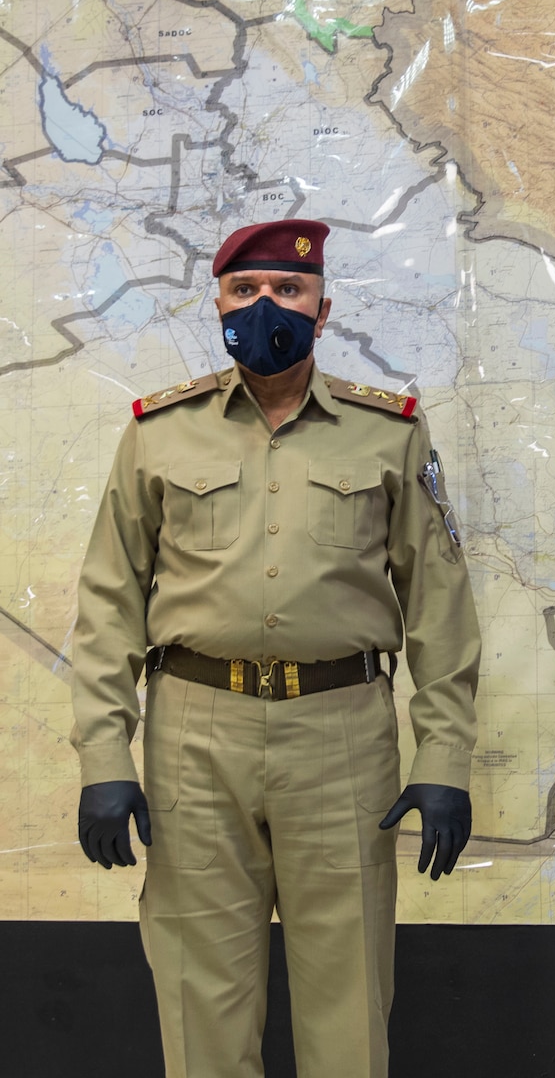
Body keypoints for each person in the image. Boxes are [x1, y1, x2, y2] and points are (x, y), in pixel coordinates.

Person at [70, 219, 480, 1078]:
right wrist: (105, 758)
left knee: (348, 1001)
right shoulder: (158, 432)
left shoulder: (390, 434)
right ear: (216, 305)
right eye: (245, 292)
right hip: (194, 736)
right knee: (200, 995)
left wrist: (442, 760)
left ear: (323, 310)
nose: (267, 309)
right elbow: (109, 604)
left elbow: (438, 609)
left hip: (340, 737)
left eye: (288, 292)